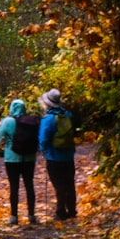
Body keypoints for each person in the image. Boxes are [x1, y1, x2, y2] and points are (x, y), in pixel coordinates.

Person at [0, 99, 37, 225]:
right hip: (29, 157)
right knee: (29, 185)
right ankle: (31, 215)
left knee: (14, 187)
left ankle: (14, 216)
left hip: (12, 158)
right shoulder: (31, 121)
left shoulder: (7, 121)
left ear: (11, 108)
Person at [38, 88, 77, 221]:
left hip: (54, 157)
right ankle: (72, 210)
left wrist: (43, 150)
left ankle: (61, 212)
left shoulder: (48, 119)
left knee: (59, 185)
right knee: (69, 183)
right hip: (69, 155)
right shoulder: (68, 115)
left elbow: (43, 139)